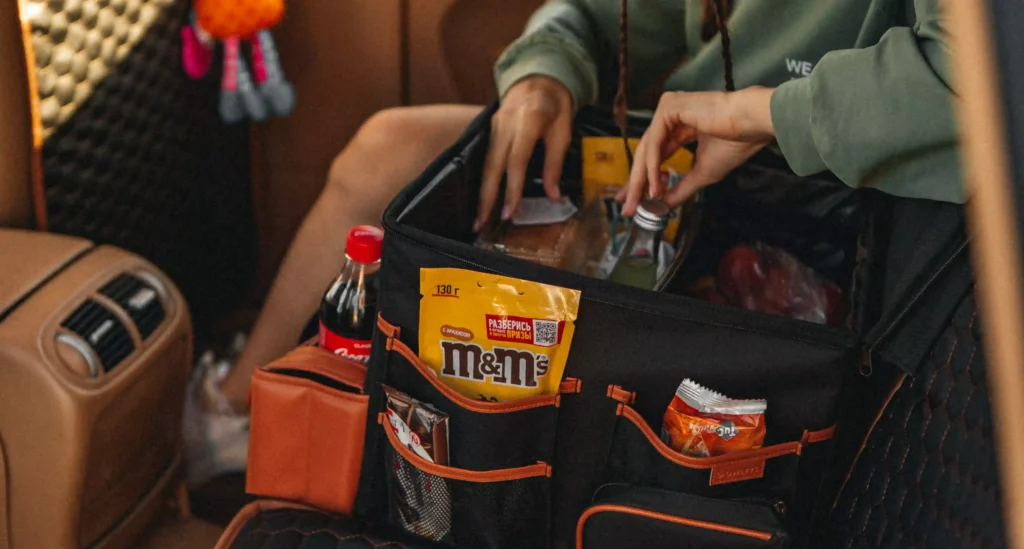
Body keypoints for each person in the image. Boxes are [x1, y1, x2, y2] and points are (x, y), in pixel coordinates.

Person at [183, 0, 960, 487]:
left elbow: (966, 83)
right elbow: (611, 15)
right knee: (386, 152)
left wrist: (761, 112)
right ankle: (231, 414)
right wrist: (546, 72)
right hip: (686, 158)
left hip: (821, 192)